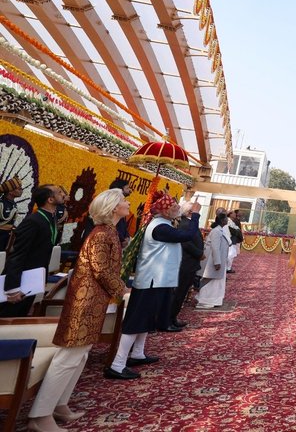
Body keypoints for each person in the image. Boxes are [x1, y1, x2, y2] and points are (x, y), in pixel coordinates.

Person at [26, 189, 129, 432]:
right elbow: (101, 270)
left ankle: (59, 404)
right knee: (68, 356)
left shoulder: (109, 231)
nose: (127, 203)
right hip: (85, 301)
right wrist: (123, 290)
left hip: (95, 300)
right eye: (123, 201)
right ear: (113, 207)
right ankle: (39, 416)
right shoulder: (102, 233)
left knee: (80, 354)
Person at [104, 192, 200, 379]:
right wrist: (195, 215)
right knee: (136, 321)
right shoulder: (159, 228)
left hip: (157, 280)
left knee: (146, 319)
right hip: (151, 281)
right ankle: (117, 364)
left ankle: (137, 353)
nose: (177, 210)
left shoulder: (162, 224)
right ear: (164, 211)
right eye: (173, 207)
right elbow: (187, 234)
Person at [0, 185, 66, 318]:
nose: (63, 195)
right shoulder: (34, 221)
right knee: (8, 318)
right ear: (50, 200)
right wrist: (12, 288)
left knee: (20, 317)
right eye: (59, 192)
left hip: (33, 279)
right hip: (20, 281)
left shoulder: (50, 218)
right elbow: (17, 254)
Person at [169, 200, 204, 328]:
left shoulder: (188, 222)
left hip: (190, 263)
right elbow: (186, 242)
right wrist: (198, 253)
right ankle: (169, 318)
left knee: (182, 292)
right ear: (190, 212)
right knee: (178, 292)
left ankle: (173, 317)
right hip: (185, 262)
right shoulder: (184, 224)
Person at [80, 178, 133, 252]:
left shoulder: (111, 230)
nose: (129, 203)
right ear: (114, 207)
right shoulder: (102, 235)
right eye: (124, 200)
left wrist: (126, 238)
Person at [196, 213, 230, 309]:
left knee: (216, 281)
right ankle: (204, 300)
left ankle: (214, 299)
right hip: (213, 261)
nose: (227, 220)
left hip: (220, 260)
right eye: (226, 219)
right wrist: (217, 262)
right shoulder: (216, 231)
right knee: (209, 280)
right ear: (222, 221)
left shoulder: (221, 230)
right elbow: (215, 248)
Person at [0, 175, 23, 251]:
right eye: (18, 188)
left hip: (8, 236)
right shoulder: (1, 204)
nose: (21, 190)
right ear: (10, 191)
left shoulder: (13, 204)